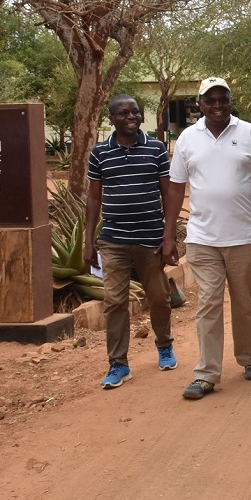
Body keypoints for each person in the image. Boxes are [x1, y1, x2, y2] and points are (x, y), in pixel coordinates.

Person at [164, 77, 251, 400]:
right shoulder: (188, 139)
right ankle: (206, 374)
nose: (217, 106)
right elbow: (176, 187)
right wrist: (169, 234)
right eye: (210, 100)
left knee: (244, 304)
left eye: (223, 99)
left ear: (231, 101)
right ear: (199, 104)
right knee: (208, 304)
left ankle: (250, 358)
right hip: (202, 238)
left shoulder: (249, 134)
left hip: (242, 237)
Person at [85, 94, 176, 389]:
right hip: (113, 240)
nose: (132, 117)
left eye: (135, 112)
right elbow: (94, 197)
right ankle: (118, 364)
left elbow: (168, 194)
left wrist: (168, 236)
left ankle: (164, 345)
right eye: (124, 113)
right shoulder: (100, 153)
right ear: (112, 118)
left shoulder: (156, 148)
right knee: (114, 302)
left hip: (150, 238)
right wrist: (88, 241)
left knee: (159, 299)